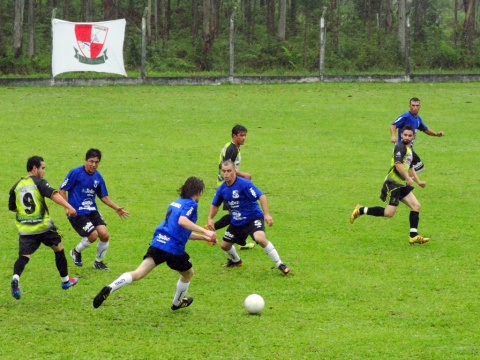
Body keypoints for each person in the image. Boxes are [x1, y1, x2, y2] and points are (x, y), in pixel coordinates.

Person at [93, 177, 216, 310]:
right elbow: (182, 221)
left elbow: (182, 231)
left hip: (159, 242)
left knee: (138, 273)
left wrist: (204, 238)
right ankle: (177, 302)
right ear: (198, 192)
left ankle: (110, 287)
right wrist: (206, 231)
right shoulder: (192, 204)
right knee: (188, 274)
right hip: (173, 249)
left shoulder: (175, 203)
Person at [9, 156, 79, 300]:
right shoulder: (39, 182)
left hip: (26, 229)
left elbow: (12, 207)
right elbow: (54, 195)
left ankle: (16, 277)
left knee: (24, 256)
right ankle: (65, 281)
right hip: (44, 226)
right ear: (34, 168)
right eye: (42, 168)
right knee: (58, 247)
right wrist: (69, 207)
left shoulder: (15, 186)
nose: (44, 171)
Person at [350, 125, 430, 245]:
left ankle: (413, 236)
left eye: (409, 135)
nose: (407, 137)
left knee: (416, 206)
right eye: (405, 135)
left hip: (402, 184)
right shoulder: (400, 147)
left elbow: (410, 166)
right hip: (393, 184)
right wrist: (408, 178)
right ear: (401, 135)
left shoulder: (409, 149)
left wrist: (418, 181)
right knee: (389, 213)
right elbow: (398, 164)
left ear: (413, 137)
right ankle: (361, 210)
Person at [207, 160, 290, 274]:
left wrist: (266, 214)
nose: (226, 174)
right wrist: (210, 218)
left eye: (229, 171)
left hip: (253, 217)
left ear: (234, 171)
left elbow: (261, 196)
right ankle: (236, 261)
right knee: (224, 246)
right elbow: (214, 205)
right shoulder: (222, 189)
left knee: (260, 238)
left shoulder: (244, 184)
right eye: (224, 171)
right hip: (237, 221)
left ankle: (280, 264)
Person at [59, 148, 129, 271]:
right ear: (85, 160)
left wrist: (116, 208)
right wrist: (67, 207)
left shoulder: (98, 177)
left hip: (91, 210)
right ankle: (76, 251)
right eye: (91, 161)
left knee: (105, 235)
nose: (93, 165)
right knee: (93, 235)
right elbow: (62, 190)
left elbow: (103, 196)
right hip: (77, 212)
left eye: (96, 162)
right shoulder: (75, 173)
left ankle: (98, 262)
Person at [208, 124, 255, 250]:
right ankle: (209, 230)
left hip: (227, 184)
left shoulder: (232, 147)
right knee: (236, 215)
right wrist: (243, 175)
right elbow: (227, 168)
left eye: (245, 135)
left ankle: (239, 241)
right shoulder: (232, 150)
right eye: (241, 135)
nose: (244, 138)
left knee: (236, 214)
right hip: (227, 186)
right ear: (234, 136)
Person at [390, 97, 445, 173]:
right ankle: (402, 181)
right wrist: (393, 135)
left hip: (410, 148)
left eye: (417, 105)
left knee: (417, 168)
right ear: (409, 106)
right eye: (413, 105)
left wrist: (436, 134)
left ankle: (404, 181)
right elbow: (393, 125)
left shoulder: (418, 119)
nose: (415, 108)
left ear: (420, 106)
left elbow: (425, 129)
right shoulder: (405, 117)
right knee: (411, 169)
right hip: (402, 147)